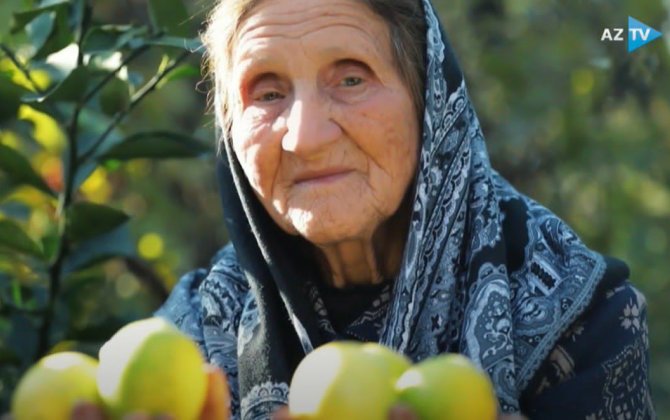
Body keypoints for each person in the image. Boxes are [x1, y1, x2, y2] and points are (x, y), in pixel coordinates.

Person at [85, 0, 657, 419]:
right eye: (267, 93)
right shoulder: (194, 335)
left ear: (429, 103)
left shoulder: (583, 317)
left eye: (352, 78)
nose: (304, 137)